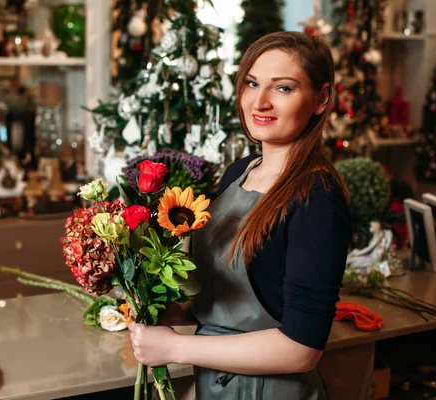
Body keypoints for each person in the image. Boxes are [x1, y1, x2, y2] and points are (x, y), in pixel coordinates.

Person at [129, 31, 352, 399]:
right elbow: (223, 298)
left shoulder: (317, 197)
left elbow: (302, 349)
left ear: (321, 98)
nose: (259, 102)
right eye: (252, 83)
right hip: (215, 384)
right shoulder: (241, 172)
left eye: (283, 88)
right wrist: (163, 309)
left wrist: (175, 348)